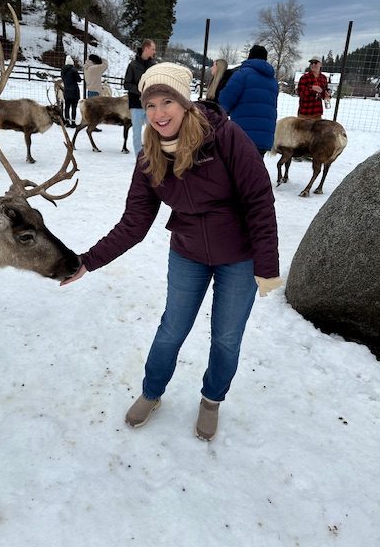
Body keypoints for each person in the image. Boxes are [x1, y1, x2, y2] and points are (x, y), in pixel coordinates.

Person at [61, 62, 281, 442]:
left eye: (167, 102)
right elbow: (134, 221)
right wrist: (87, 261)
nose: (159, 114)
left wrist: (266, 265)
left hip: (239, 255)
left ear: (185, 104)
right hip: (188, 253)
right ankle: (152, 392)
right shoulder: (149, 156)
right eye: (151, 106)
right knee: (171, 330)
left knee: (227, 337)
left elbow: (259, 201)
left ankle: (211, 400)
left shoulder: (225, 137)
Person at [218, 45, 278, 157]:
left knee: (237, 170)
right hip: (265, 136)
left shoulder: (242, 74)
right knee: (254, 170)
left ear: (249, 57)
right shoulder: (273, 81)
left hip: (243, 135)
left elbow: (225, 101)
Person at [123, 39, 156, 156]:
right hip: (136, 104)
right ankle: (139, 158)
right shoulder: (132, 65)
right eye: (153, 49)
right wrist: (140, 90)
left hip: (151, 105)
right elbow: (126, 84)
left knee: (153, 131)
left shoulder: (154, 66)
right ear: (146, 49)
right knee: (137, 133)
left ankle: (151, 156)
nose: (154, 51)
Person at [61, 55, 81, 128]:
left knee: (67, 107)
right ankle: (73, 122)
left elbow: (63, 79)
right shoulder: (74, 70)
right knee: (74, 107)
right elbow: (79, 80)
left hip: (66, 91)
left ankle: (67, 122)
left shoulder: (63, 70)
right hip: (74, 92)